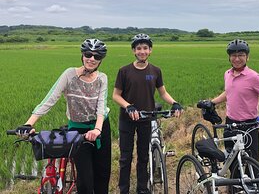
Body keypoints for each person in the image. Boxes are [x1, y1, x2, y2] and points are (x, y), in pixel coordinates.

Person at [15, 39, 111, 194]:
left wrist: (98, 129)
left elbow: (101, 106)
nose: (92, 59)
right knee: (85, 180)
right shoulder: (69, 74)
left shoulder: (102, 78)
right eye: (88, 54)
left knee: (102, 174)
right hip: (77, 130)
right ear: (82, 55)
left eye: (97, 56)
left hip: (100, 128)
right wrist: (28, 124)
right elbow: (50, 99)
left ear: (100, 60)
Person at [113, 33, 183, 194]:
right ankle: (123, 190)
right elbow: (116, 95)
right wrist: (128, 106)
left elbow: (163, 93)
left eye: (145, 48)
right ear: (133, 51)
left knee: (144, 156)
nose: (142, 51)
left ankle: (142, 189)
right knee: (125, 158)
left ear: (150, 50)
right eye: (138, 48)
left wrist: (174, 103)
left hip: (146, 118)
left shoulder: (155, 71)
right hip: (127, 119)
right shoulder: (124, 71)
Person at [207, 39, 259, 161]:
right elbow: (229, 92)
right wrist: (212, 102)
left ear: (247, 57)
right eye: (233, 55)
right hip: (230, 123)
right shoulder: (227, 74)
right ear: (229, 57)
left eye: (241, 55)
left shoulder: (254, 77)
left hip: (249, 124)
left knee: (251, 161)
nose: (237, 59)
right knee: (232, 160)